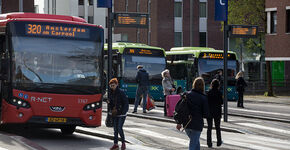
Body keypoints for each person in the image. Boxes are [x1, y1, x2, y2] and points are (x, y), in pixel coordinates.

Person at [176, 77, 209, 150]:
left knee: (195, 142)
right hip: (197, 124)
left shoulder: (186, 94)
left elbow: (180, 109)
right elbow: (206, 114)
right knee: (193, 144)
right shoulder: (203, 98)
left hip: (187, 123)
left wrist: (179, 122)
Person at [108, 78, 129, 150]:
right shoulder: (111, 93)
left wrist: (124, 111)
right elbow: (111, 105)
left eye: (113, 85)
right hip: (115, 113)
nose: (112, 87)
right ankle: (115, 144)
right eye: (111, 86)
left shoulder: (121, 92)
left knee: (119, 128)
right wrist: (109, 103)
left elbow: (126, 103)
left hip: (121, 114)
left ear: (117, 85)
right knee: (115, 129)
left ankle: (123, 143)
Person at [206, 79, 223, 148]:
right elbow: (221, 102)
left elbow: (206, 102)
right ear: (218, 85)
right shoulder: (220, 93)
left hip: (209, 111)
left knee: (209, 127)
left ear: (211, 85)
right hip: (217, 112)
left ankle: (209, 142)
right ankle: (219, 141)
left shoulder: (208, 93)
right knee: (217, 127)